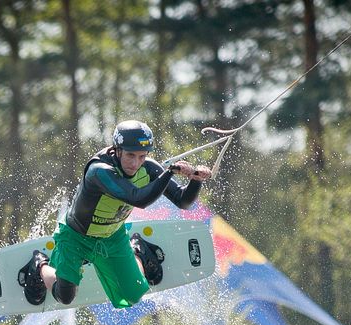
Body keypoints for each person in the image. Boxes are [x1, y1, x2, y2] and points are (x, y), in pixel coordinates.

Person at [19, 120, 211, 309]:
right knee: (65, 296)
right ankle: (39, 265)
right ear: (117, 150)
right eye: (130, 155)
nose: (136, 163)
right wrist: (169, 173)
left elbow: (182, 200)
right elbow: (138, 198)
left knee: (133, 296)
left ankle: (138, 250)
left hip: (113, 237)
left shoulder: (149, 168)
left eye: (142, 156)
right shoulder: (99, 171)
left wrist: (196, 180)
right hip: (76, 238)